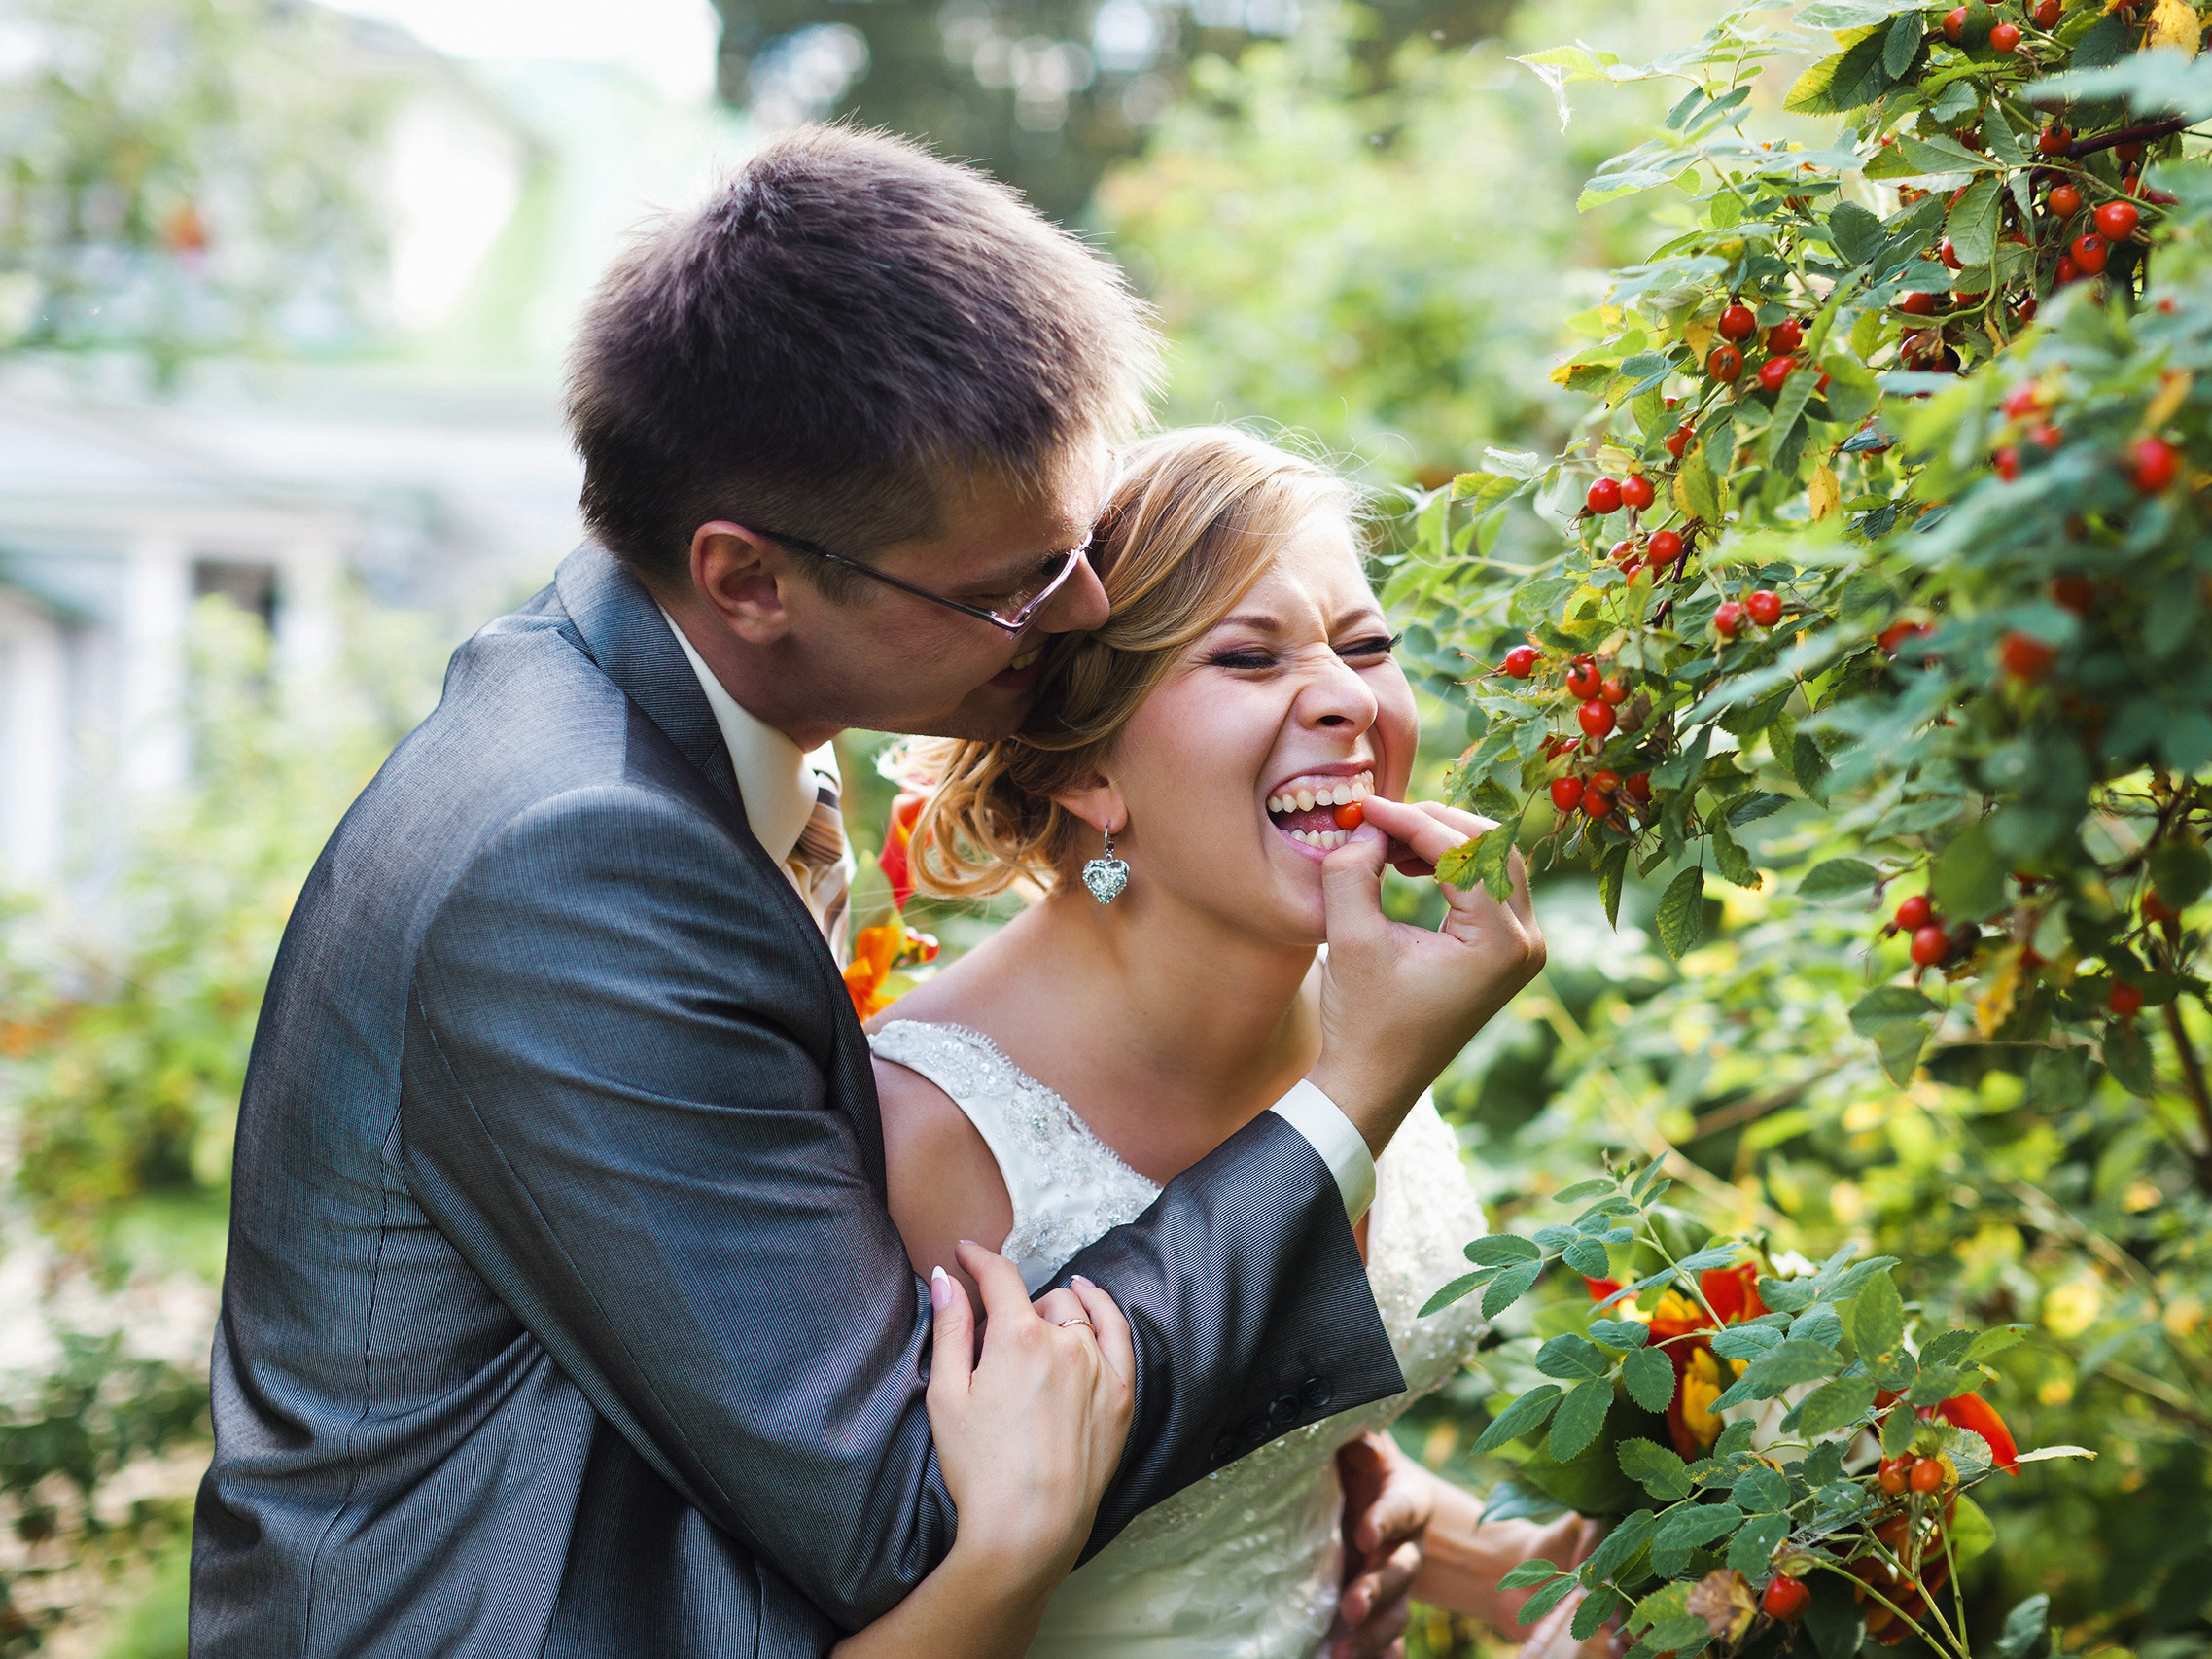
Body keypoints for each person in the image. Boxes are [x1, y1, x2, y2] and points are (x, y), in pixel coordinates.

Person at [190, 125, 1543, 1658]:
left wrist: (1358, 1519)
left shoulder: (687, 736)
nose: (1078, 609)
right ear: (749, 580)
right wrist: (1360, 1084)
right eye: (1011, 586)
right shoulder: (573, 856)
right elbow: (911, 1508)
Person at [859, 427, 1607, 1657]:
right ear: (1091, 765)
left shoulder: (1368, 1004)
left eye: (1366, 646)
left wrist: (1615, 1572)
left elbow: (1274, 1480)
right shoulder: (929, 1140)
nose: (1348, 696)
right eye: (1250, 656)